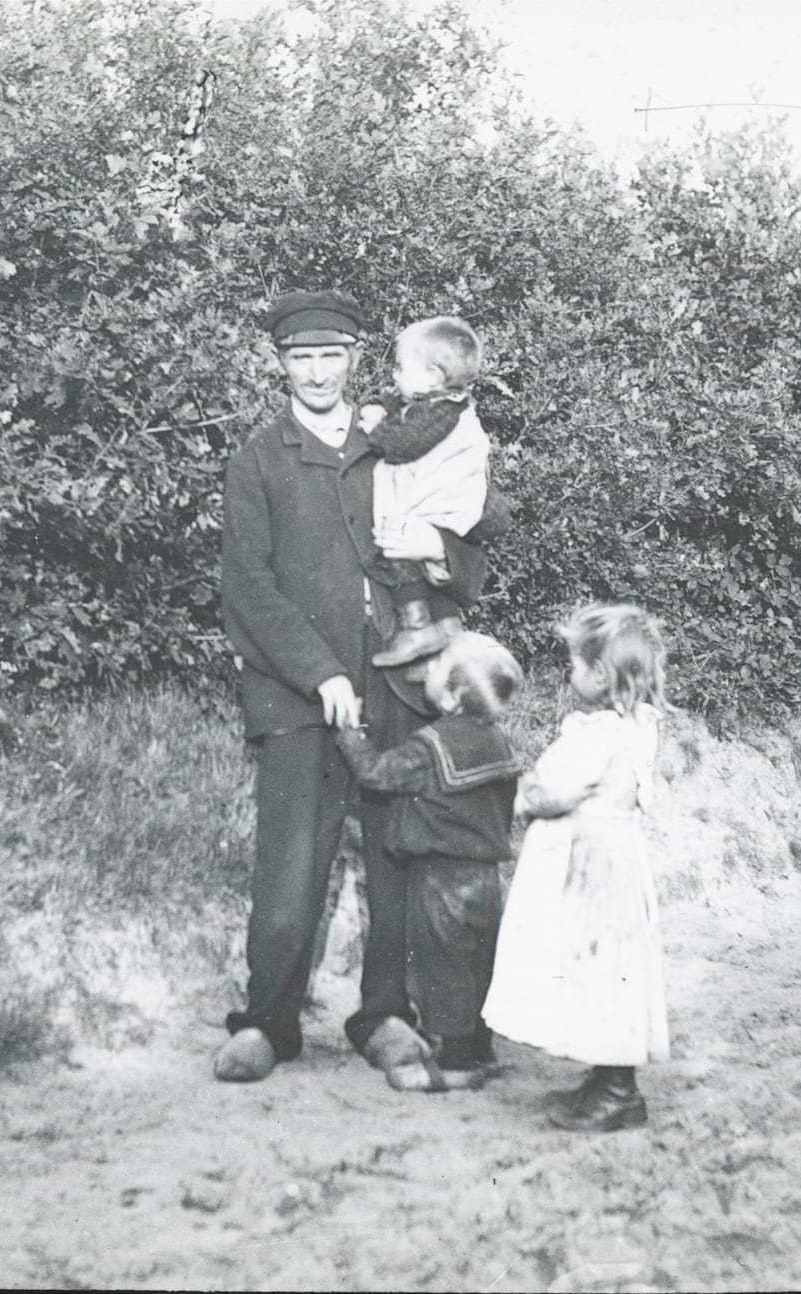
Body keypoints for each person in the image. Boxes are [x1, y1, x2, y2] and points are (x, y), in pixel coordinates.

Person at [215, 288, 492, 1083]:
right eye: (301, 358)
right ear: (281, 366)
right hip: (298, 694)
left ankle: (388, 1014)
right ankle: (267, 1021)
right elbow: (249, 588)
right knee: (290, 860)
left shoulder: (393, 441)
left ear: (352, 360)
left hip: (398, 684)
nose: (316, 373)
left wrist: (439, 549)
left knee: (398, 855)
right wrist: (320, 672)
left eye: (330, 356)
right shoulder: (258, 458)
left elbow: (475, 524)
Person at [482, 604, 673, 1132]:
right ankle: (607, 1077)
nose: (569, 673)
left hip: (588, 873)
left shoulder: (595, 736)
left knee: (594, 971)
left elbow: (553, 789)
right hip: (618, 868)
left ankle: (617, 1090)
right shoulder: (638, 726)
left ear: (598, 674)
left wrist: (521, 798)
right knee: (611, 974)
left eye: (574, 663)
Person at [334, 631, 523, 1092]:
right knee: (479, 963)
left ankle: (454, 1063)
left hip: (440, 877)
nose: (425, 678)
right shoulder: (498, 742)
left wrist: (350, 734)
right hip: (487, 878)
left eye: (436, 671)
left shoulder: (431, 745)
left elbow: (378, 775)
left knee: (441, 966)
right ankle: (480, 1048)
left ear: (455, 695)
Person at [359, 316, 490, 669]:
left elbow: (405, 442)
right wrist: (380, 405)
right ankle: (444, 625)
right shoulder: (440, 403)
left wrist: (376, 431)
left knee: (395, 548)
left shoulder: (443, 412)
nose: (394, 375)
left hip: (441, 507)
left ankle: (417, 625)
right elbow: (400, 408)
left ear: (433, 376)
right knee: (418, 556)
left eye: (401, 367)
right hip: (443, 511)